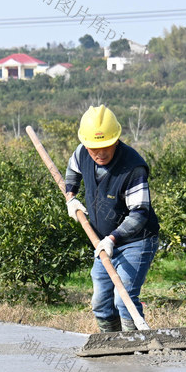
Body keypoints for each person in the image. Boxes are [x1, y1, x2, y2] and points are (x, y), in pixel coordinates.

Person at [64, 105, 160, 332]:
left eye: (106, 147)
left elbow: (140, 213)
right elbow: (72, 170)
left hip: (137, 241)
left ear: (116, 140)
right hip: (102, 242)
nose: (100, 154)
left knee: (124, 299)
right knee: (101, 303)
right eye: (94, 149)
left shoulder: (133, 167)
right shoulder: (82, 152)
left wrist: (113, 239)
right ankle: (111, 341)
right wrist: (71, 196)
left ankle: (135, 344)